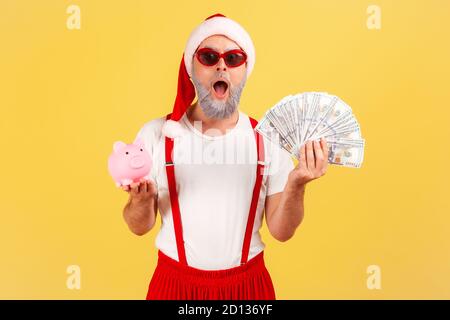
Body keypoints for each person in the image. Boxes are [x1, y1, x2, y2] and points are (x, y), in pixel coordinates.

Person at [121, 13, 329, 300]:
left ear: (244, 71)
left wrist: (297, 184)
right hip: (173, 286)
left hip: (248, 289)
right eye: (208, 57)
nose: (221, 65)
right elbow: (138, 227)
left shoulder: (267, 138)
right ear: (190, 68)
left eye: (233, 58)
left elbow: (281, 232)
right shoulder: (156, 134)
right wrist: (139, 200)